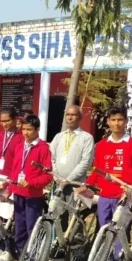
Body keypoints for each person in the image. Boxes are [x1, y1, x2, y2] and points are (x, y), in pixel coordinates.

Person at [77, 105, 132, 261]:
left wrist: (128, 186)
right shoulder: (101, 145)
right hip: (104, 198)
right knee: (106, 234)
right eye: (113, 120)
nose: (117, 123)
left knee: (121, 237)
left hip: (123, 198)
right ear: (108, 122)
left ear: (126, 122)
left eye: (120, 120)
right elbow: (97, 171)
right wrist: (87, 185)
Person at [2, 115, 53, 261]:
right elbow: (14, 171)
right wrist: (9, 190)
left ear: (37, 130)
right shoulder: (19, 146)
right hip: (18, 194)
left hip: (33, 196)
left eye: (29, 129)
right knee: (20, 230)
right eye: (23, 129)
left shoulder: (43, 148)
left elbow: (48, 175)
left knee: (32, 230)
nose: (25, 133)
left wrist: (31, 182)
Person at [49, 105, 94, 249]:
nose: (69, 117)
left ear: (80, 117)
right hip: (58, 183)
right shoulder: (58, 137)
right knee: (58, 214)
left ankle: (75, 248)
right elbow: (52, 158)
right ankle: (60, 246)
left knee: (76, 216)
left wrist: (68, 179)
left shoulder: (86, 138)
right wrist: (57, 176)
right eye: (67, 114)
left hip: (76, 184)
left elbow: (86, 162)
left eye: (73, 115)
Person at [0, 107, 24, 261]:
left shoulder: (21, 137)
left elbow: (20, 163)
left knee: (10, 217)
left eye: (7, 120)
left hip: (11, 181)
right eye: (2, 121)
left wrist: (8, 183)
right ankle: (0, 247)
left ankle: (9, 250)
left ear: (16, 120)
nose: (5, 124)